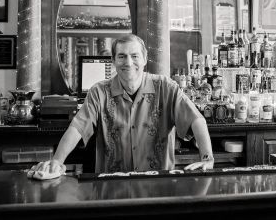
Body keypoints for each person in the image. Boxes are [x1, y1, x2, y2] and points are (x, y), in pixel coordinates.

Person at [33, 34, 214, 174]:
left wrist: (207, 158)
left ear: (144, 59)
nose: (128, 62)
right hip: (111, 186)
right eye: (121, 56)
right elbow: (77, 128)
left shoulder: (166, 88)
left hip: (158, 184)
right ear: (113, 61)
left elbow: (196, 120)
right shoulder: (99, 92)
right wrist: (57, 161)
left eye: (134, 56)